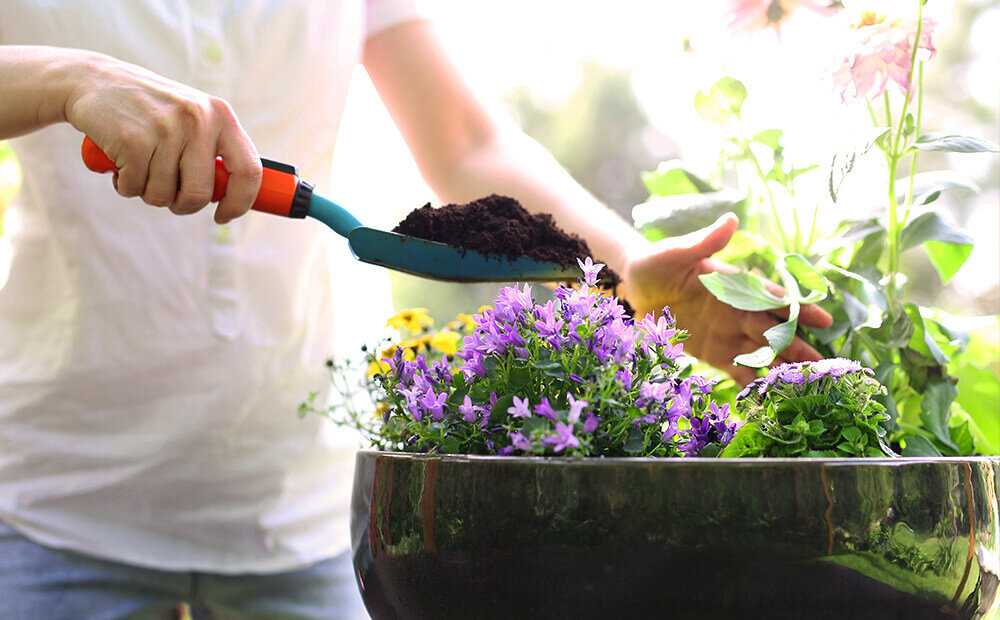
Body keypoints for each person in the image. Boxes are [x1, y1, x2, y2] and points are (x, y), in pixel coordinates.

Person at [0, 1, 832, 618]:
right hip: (61, 503)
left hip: (301, 509)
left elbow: (468, 144)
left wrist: (621, 281)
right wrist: (71, 77)